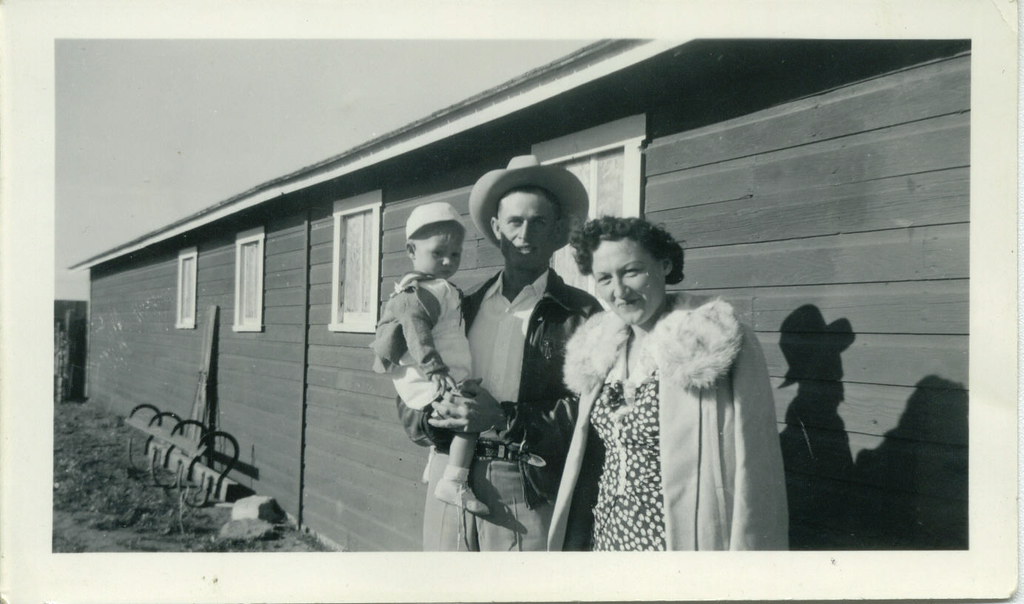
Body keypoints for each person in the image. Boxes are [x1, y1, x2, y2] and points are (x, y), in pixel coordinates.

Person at [547, 216, 788, 551]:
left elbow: (757, 470)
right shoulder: (599, 351)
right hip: (608, 537)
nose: (619, 291)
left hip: (685, 543)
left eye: (632, 271)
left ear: (665, 264)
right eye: (604, 278)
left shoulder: (714, 342)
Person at [397, 155, 600, 551]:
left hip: (525, 483)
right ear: (496, 229)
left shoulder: (581, 313)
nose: (525, 233)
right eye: (514, 222)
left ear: (558, 230)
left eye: (539, 222)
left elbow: (592, 414)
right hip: (447, 473)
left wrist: (506, 418)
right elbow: (408, 388)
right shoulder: (459, 305)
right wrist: (435, 418)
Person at [370, 201, 488, 515]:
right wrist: (434, 367)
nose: (448, 261)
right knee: (468, 420)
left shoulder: (437, 286)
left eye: (455, 254)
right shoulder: (420, 292)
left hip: (438, 376)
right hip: (428, 377)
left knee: (458, 412)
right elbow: (416, 331)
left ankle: (436, 464)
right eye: (438, 253)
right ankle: (454, 480)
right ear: (412, 250)